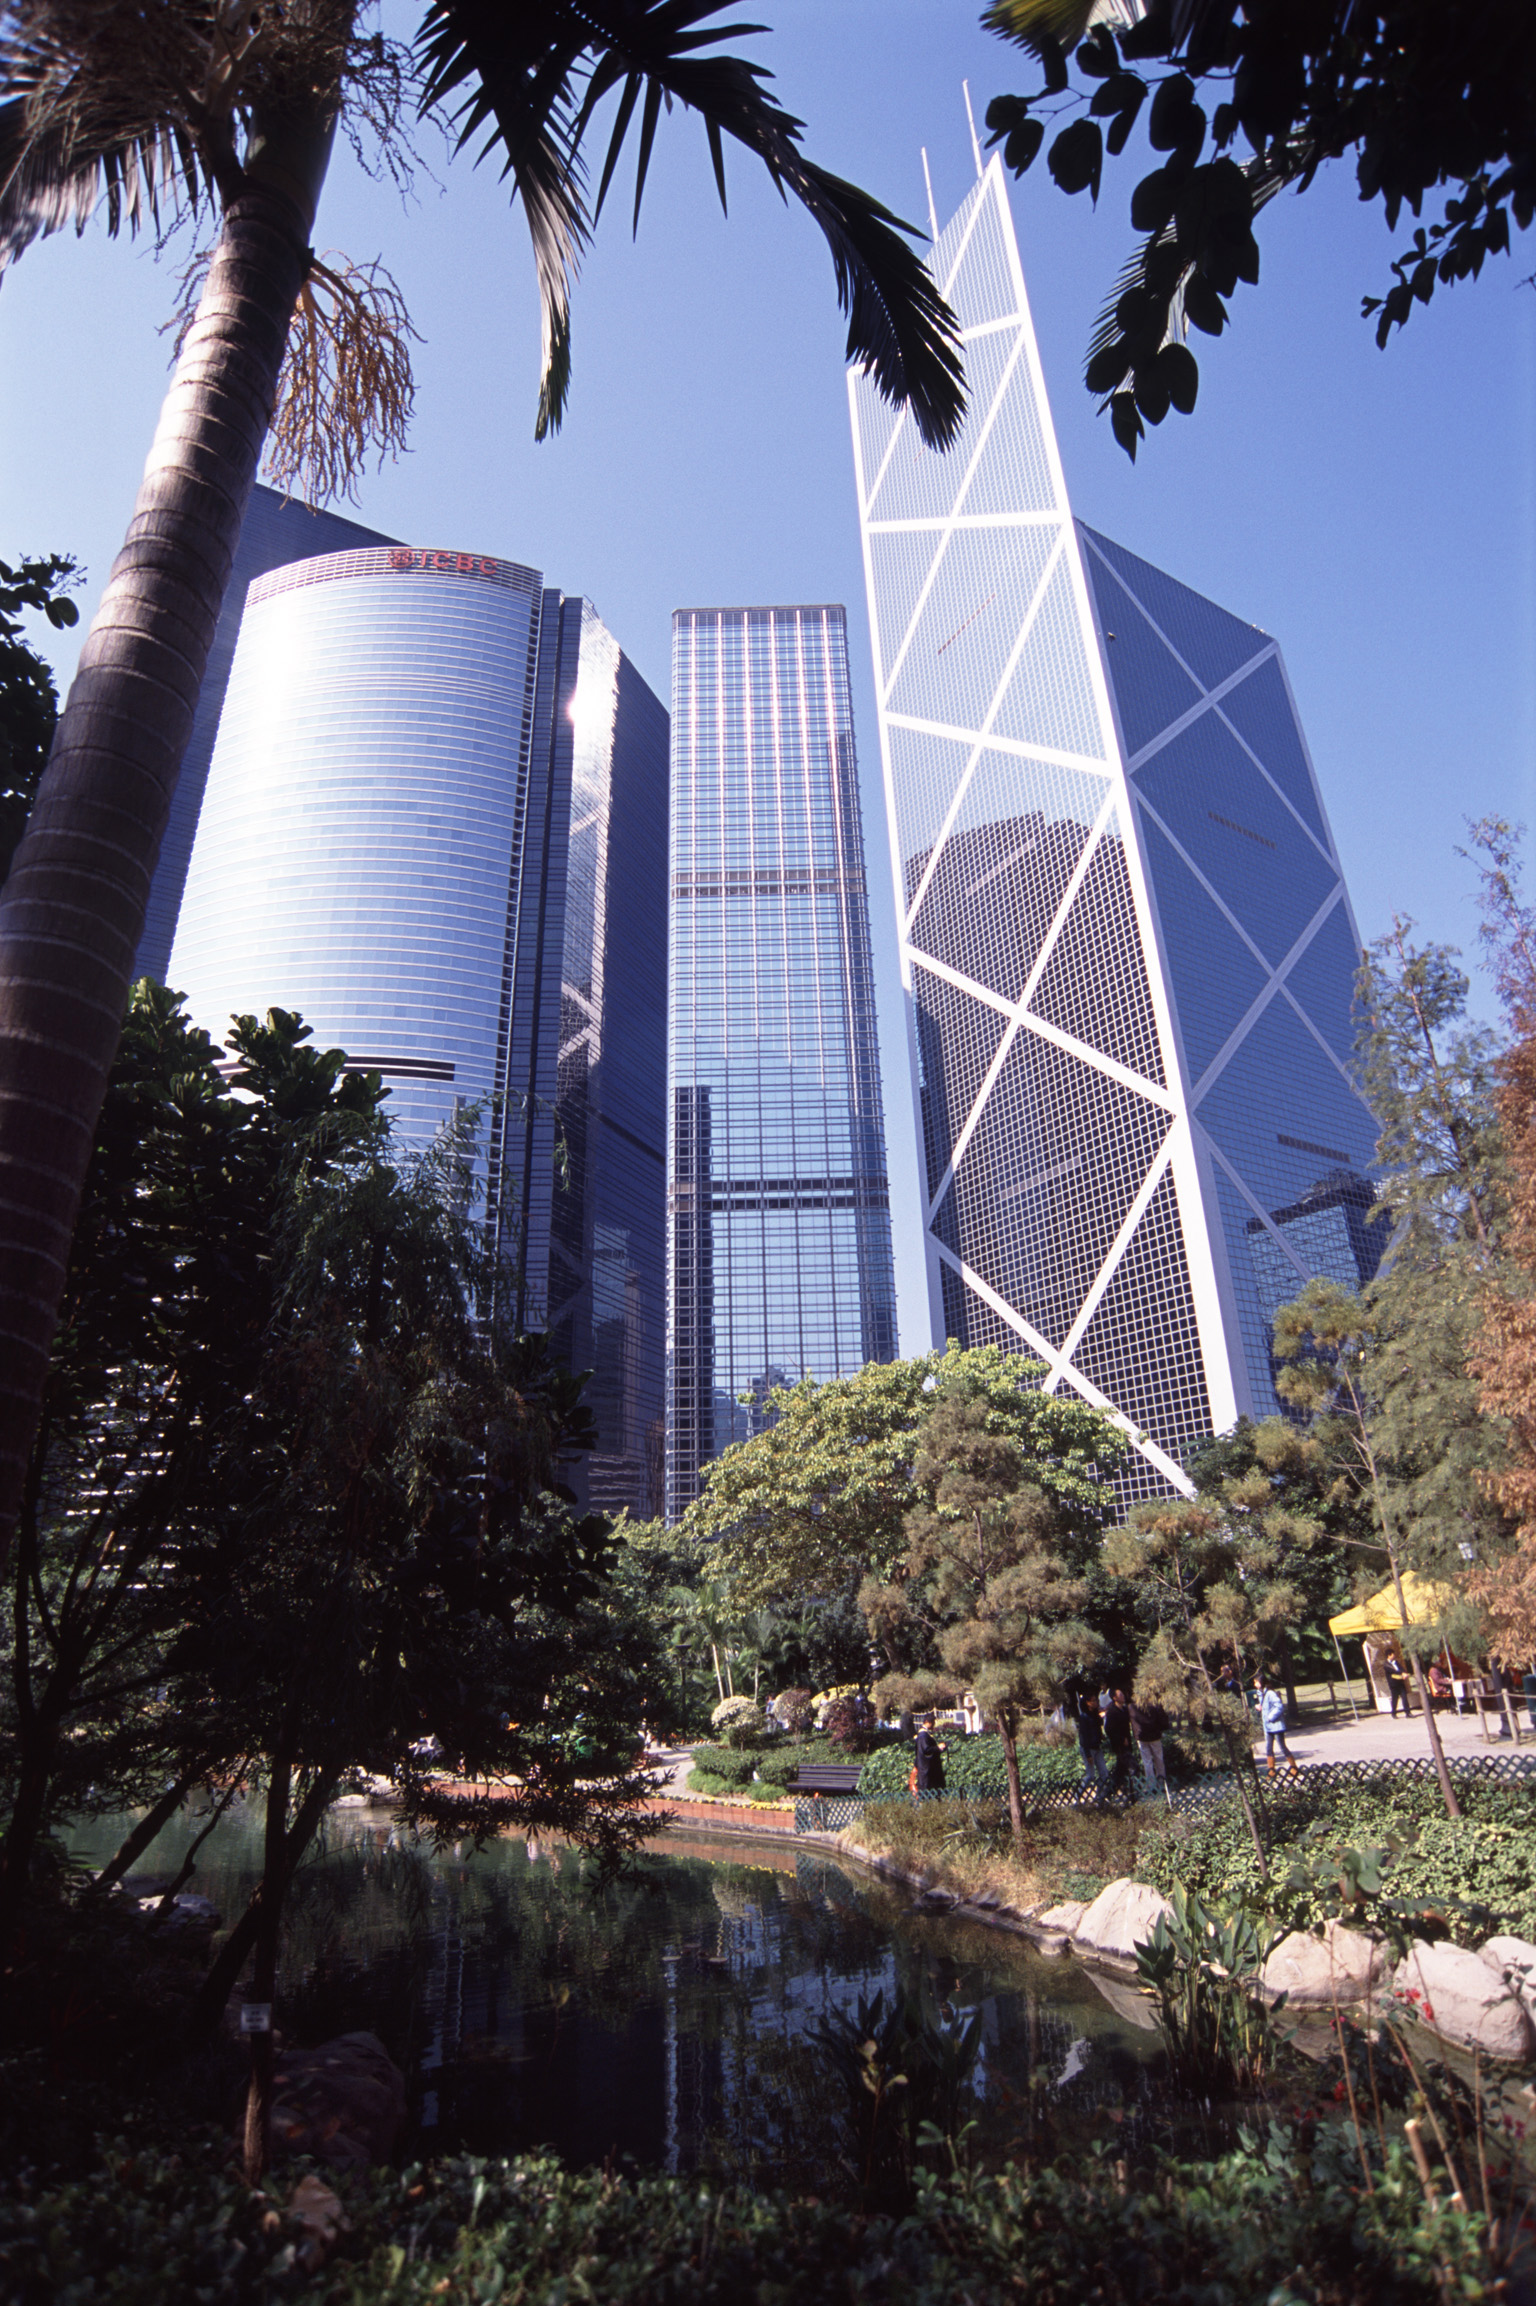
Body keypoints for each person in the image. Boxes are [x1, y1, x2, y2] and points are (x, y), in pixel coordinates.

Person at [1129, 1693, 1170, 1799]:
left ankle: (1151, 1785)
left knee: (1147, 1762)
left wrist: (1136, 1734)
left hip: (1142, 1737)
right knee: (1158, 1759)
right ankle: (1162, 1782)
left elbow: (1134, 1722)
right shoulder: (1154, 1705)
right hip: (1154, 1736)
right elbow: (1162, 1719)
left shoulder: (1132, 1707)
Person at [1256, 1675, 1295, 1773]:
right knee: (1268, 1748)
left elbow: (1278, 1706)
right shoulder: (1261, 1694)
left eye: (1255, 1682)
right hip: (1268, 1727)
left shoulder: (1270, 1693)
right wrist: (1260, 1707)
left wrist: (1270, 1717)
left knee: (1282, 1747)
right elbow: (1266, 1707)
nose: (1254, 1684)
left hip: (1276, 1726)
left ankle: (1294, 1768)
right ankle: (1271, 1770)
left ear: (1261, 1682)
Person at [1075, 1691, 1107, 1802]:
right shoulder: (1083, 1717)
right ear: (1087, 1703)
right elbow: (1083, 1736)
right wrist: (1088, 1754)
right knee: (1090, 1776)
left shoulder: (1095, 1715)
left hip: (1097, 1747)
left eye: (1096, 1700)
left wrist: (1101, 1736)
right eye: (1093, 1701)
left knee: (1104, 1773)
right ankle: (1077, 1796)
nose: (1095, 1702)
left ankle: (1100, 1797)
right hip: (1088, 1749)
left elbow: (1097, 1729)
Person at [1103, 1689, 1134, 1801]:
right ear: (1114, 1698)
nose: (1123, 1696)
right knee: (1132, 1767)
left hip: (1127, 1743)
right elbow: (1109, 1729)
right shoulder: (1112, 1712)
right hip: (1119, 1745)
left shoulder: (1124, 1709)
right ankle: (1131, 1792)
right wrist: (1121, 1739)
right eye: (1120, 1695)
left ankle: (1109, 1794)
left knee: (1120, 1771)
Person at [914, 1714, 947, 1795]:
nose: (934, 1724)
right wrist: (937, 1748)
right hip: (926, 1768)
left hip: (928, 1768)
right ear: (927, 1722)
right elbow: (926, 1749)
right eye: (932, 1722)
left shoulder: (925, 1734)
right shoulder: (923, 1735)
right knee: (927, 1792)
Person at [1384, 1650, 1410, 1719]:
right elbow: (1393, 1671)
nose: (1394, 1655)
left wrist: (1404, 1673)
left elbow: (1402, 1669)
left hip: (1400, 1682)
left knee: (1404, 1697)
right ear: (1389, 1655)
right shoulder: (1386, 1664)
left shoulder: (1396, 1662)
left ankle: (1408, 1712)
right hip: (1393, 1684)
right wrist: (1401, 1673)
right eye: (1393, 1654)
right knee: (1395, 1699)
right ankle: (1394, 1713)